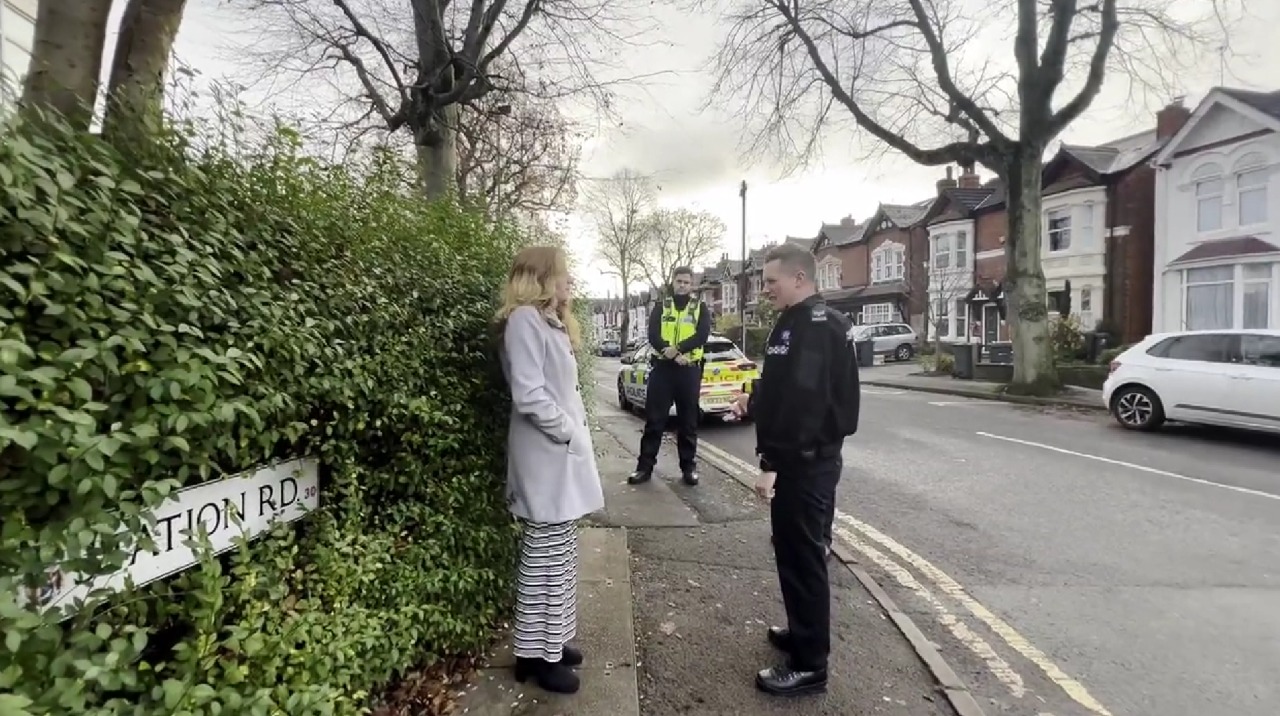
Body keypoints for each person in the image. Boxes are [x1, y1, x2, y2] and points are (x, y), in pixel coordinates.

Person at [731, 242, 860, 697]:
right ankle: (802, 633)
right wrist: (755, 400)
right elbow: (786, 389)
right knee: (796, 554)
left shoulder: (811, 327)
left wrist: (771, 463)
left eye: (771, 281)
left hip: (805, 463)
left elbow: (803, 407)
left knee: (803, 560)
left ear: (800, 279)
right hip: (813, 460)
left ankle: (810, 666)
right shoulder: (810, 322)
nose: (765, 289)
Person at [496, 246, 605, 695]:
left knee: (559, 555)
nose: (569, 281)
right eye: (562, 273)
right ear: (541, 277)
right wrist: (569, 434)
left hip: (558, 455)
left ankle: (553, 641)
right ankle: (533, 655)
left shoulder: (549, 321)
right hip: (546, 455)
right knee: (543, 558)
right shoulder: (524, 320)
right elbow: (529, 394)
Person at [629, 266, 711, 486]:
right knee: (654, 422)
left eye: (686, 282)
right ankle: (644, 468)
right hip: (663, 371)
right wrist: (670, 352)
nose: (682, 285)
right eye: (679, 281)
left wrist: (679, 349)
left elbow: (702, 335)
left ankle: (688, 468)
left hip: (688, 370)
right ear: (672, 283)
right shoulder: (661, 307)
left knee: (688, 423)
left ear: (692, 284)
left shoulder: (700, 308)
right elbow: (653, 335)